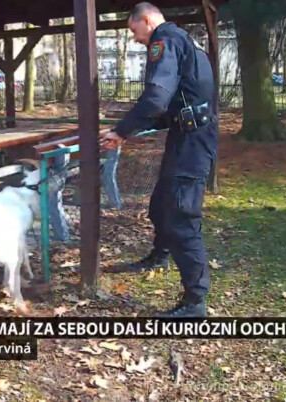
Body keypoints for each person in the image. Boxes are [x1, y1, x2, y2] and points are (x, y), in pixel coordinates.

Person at [102, 2, 218, 317]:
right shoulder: (185, 40)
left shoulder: (164, 40)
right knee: (161, 204)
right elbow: (174, 104)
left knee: (181, 216)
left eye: (134, 30)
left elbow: (155, 99)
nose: (135, 38)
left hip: (193, 141)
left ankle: (195, 302)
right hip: (188, 134)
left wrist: (121, 131)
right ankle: (160, 256)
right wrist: (126, 128)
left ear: (147, 20)